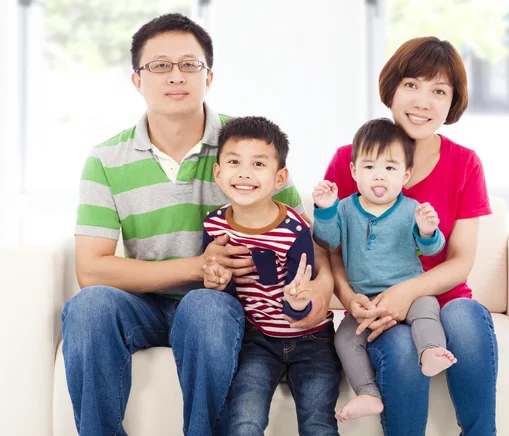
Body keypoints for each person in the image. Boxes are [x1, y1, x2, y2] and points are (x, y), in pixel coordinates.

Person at [62, 13, 333, 436]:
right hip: (145, 305)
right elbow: (91, 269)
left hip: (222, 305)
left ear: (209, 76)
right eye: (160, 66)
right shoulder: (106, 159)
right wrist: (195, 266)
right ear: (137, 79)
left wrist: (321, 287)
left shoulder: (246, 145)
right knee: (89, 305)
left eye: (190, 65)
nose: (176, 76)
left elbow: (307, 235)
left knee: (204, 306)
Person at [323, 36, 498, 435]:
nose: (423, 101)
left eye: (439, 91)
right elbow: (330, 247)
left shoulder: (465, 164)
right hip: (374, 303)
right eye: (412, 85)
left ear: (452, 103)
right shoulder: (350, 159)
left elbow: (461, 260)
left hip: (443, 299)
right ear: (392, 88)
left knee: (467, 317)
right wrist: (351, 299)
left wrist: (407, 293)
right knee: (401, 348)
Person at [202, 116, 341, 436]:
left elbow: (303, 291)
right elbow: (217, 288)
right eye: (234, 162)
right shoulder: (214, 226)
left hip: (311, 339)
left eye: (258, 164)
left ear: (280, 178)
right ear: (218, 174)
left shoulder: (293, 229)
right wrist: (217, 280)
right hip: (258, 341)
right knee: (245, 421)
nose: (245, 172)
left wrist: (296, 302)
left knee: (318, 422)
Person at [312, 118, 457, 423]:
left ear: (406, 175)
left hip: (408, 291)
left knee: (427, 307)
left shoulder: (411, 209)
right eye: (369, 167)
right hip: (364, 301)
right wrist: (324, 209)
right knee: (344, 340)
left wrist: (429, 230)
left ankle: (430, 351)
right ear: (354, 172)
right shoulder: (345, 209)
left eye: (390, 168)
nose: (379, 176)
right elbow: (328, 240)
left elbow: (432, 251)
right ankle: (367, 393)